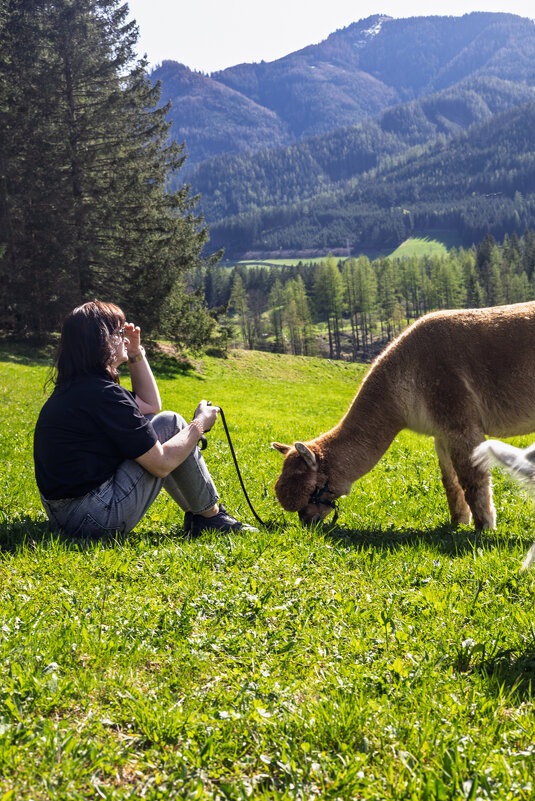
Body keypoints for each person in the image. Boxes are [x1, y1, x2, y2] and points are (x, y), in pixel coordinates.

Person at [33, 300, 257, 538]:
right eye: (119, 333)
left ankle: (203, 516)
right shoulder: (104, 394)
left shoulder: (81, 387)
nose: (126, 338)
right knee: (172, 424)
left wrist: (135, 354)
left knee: (165, 423)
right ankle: (211, 519)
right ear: (101, 341)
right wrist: (199, 424)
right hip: (94, 518)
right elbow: (160, 464)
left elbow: (150, 405)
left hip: (63, 513)